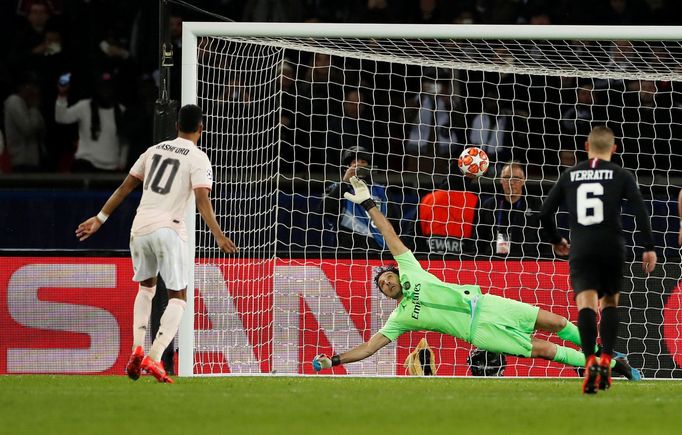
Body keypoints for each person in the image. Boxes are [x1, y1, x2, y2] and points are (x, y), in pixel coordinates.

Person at [312, 176, 640, 381]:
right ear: (387, 296)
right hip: (478, 331)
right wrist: (334, 360)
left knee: (554, 321)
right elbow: (369, 348)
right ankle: (608, 366)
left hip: (487, 304)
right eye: (383, 286)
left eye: (387, 278)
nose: (386, 283)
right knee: (542, 348)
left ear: (397, 273)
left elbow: (388, 232)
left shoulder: (411, 269)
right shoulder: (400, 317)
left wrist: (368, 203)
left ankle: (607, 355)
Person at [75, 104, 237, 383]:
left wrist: (100, 219)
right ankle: (155, 355)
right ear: (201, 128)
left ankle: (136, 348)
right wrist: (219, 235)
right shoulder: (198, 158)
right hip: (169, 230)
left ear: (176, 125)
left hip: (139, 228)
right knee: (179, 297)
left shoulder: (154, 150)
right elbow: (201, 200)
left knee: (146, 288)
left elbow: (126, 186)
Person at [539, 125, 656, 394]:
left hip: (582, 247)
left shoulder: (571, 174)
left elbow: (544, 213)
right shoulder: (621, 174)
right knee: (611, 303)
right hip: (611, 246)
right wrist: (648, 246)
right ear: (614, 149)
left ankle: (590, 364)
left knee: (587, 307)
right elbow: (641, 211)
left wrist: (557, 240)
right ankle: (607, 363)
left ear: (585, 147)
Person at [320, 145, 398, 255]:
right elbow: (324, 211)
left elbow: (394, 221)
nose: (359, 164)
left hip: (379, 252)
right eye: (354, 162)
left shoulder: (382, 191)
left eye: (363, 161)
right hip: (347, 254)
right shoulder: (336, 189)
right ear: (346, 167)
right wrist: (344, 183)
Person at [55, 72, 128, 172]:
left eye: (108, 87)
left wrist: (122, 162)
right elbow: (61, 118)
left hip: (112, 169)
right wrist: (62, 95)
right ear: (97, 89)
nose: (105, 91)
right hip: (86, 164)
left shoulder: (121, 110)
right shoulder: (84, 106)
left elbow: (124, 141)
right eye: (102, 87)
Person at [475, 161, 551, 258]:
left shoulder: (537, 205)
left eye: (516, 178)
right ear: (501, 180)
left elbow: (547, 239)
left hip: (528, 262)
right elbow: (479, 239)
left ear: (523, 180)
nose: (511, 182)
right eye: (507, 178)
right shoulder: (490, 206)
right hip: (495, 261)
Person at [3, 76, 45, 172]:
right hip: (22, 162)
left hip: (35, 160)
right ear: (25, 87)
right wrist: (34, 108)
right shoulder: (14, 101)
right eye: (33, 87)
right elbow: (27, 129)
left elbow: (42, 130)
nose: (36, 92)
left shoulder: (29, 105)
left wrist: (34, 108)